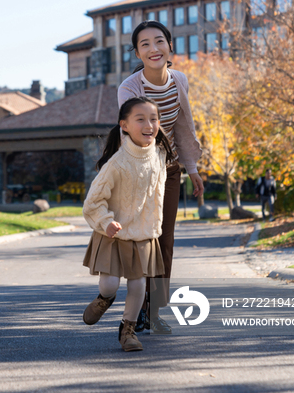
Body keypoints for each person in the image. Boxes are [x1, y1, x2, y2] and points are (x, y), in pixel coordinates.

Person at [117, 20, 204, 335]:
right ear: (138, 53)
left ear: (170, 46)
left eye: (159, 41)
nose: (153, 49)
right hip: (140, 172)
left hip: (169, 171)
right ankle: (137, 308)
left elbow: (183, 126)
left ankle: (154, 311)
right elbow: (135, 134)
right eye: (145, 44)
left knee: (165, 241)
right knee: (144, 239)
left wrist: (192, 168)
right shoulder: (130, 88)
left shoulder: (179, 80)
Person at [82, 97, 175, 352]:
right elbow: (92, 202)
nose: (149, 124)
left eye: (154, 119)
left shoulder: (160, 153)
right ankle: (105, 299)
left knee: (138, 286)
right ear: (124, 125)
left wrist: (155, 228)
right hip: (113, 232)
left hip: (143, 234)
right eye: (141, 119)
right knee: (110, 284)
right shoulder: (116, 163)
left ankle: (128, 330)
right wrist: (106, 222)